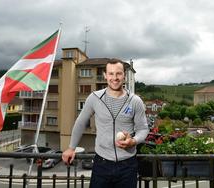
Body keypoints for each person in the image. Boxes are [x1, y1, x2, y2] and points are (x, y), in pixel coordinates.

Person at [62, 59, 149, 188]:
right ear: (105, 75)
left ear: (124, 75)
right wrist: (71, 148)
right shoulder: (94, 98)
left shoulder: (135, 101)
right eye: (111, 73)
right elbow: (81, 122)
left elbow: (143, 129)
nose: (115, 78)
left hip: (128, 165)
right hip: (101, 164)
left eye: (118, 73)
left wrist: (134, 141)